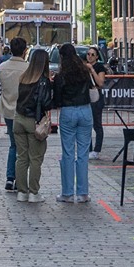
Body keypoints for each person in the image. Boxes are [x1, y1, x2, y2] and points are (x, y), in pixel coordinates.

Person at [9, 47, 54, 202]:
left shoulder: (24, 77)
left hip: (18, 119)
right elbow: (46, 102)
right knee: (35, 158)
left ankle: (22, 192)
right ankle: (34, 193)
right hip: (34, 121)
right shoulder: (43, 81)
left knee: (21, 158)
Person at [51, 43, 95, 203]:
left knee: (68, 153)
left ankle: (67, 193)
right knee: (83, 154)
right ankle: (83, 193)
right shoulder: (84, 72)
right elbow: (92, 87)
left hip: (68, 111)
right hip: (85, 110)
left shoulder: (60, 76)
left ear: (62, 57)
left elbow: (56, 99)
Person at [0, 35, 29, 192]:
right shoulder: (28, 68)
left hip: (8, 110)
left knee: (13, 145)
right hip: (24, 111)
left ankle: (10, 178)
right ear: (24, 51)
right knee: (24, 148)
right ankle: (19, 179)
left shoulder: (2, 67)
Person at [82, 47, 108, 157]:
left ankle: (97, 150)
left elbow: (101, 83)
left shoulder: (99, 67)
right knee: (87, 124)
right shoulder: (83, 66)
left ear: (97, 56)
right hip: (86, 97)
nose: (90, 56)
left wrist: (92, 70)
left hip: (96, 97)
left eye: (92, 54)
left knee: (97, 124)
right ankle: (88, 149)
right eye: (88, 54)